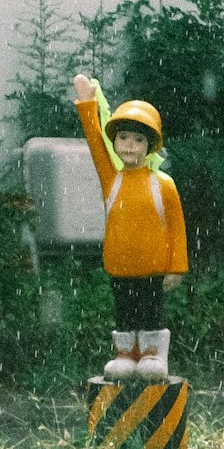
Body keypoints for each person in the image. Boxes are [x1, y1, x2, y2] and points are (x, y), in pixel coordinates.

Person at [70, 75, 188, 381]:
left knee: (150, 310)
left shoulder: (163, 184)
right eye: (123, 138)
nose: (129, 146)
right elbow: (95, 141)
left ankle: (151, 352)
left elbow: (177, 227)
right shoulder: (112, 179)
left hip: (153, 267)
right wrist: (87, 103)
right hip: (119, 266)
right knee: (124, 311)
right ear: (116, 142)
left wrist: (176, 267)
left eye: (137, 140)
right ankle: (125, 352)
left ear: (149, 146)